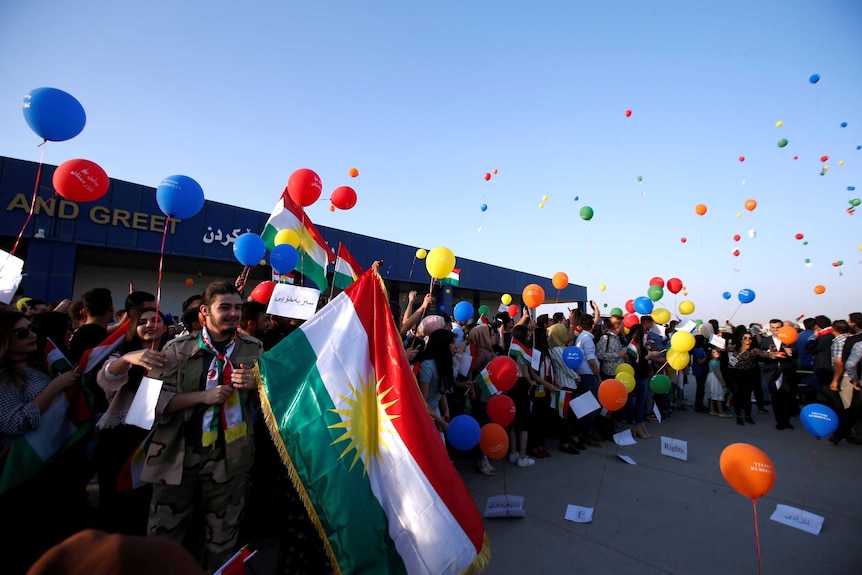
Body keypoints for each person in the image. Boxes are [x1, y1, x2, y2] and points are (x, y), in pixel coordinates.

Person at [142, 281, 262, 572]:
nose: (233, 314)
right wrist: (202, 397)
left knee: (222, 540)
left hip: (229, 459)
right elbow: (150, 405)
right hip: (178, 456)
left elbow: (271, 399)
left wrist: (257, 385)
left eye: (237, 307)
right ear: (205, 311)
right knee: (164, 538)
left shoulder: (253, 347)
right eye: (225, 307)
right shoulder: (175, 350)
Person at [0, 311, 90, 574]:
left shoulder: (38, 367)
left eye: (32, 329)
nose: (32, 335)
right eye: (21, 333)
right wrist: (56, 388)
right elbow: (13, 423)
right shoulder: (3, 379)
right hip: (22, 477)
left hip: (55, 471)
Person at [95, 308, 169, 536]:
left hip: (159, 437)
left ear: (166, 327)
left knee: (147, 501)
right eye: (142, 322)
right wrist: (129, 359)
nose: (149, 325)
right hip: (122, 437)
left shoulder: (176, 354)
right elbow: (106, 377)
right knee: (118, 498)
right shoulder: (123, 355)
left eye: (155, 320)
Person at [729, 330, 780, 426]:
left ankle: (748, 416)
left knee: (747, 396)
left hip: (747, 375)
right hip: (735, 375)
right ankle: (739, 416)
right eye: (745, 338)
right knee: (737, 396)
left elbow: (765, 354)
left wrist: (774, 355)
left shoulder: (753, 350)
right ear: (741, 340)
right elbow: (723, 349)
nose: (748, 340)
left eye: (750, 338)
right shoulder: (736, 348)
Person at [759, 319, 798, 430]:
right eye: (773, 328)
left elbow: (796, 354)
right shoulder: (766, 340)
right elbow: (760, 355)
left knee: (787, 397)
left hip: (786, 372)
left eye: (778, 328)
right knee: (776, 398)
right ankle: (779, 421)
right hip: (771, 372)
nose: (775, 330)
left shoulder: (789, 339)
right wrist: (769, 353)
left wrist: (791, 353)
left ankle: (786, 421)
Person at [574, 315, 603, 446]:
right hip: (589, 374)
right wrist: (598, 376)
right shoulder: (587, 339)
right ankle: (585, 434)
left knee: (588, 406)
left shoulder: (581, 337)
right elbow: (591, 360)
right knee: (592, 407)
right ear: (592, 326)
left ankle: (587, 432)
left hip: (583, 374)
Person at [705, 348, 732, 417]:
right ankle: (720, 411)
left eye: (717, 352)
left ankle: (712, 410)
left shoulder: (717, 361)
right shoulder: (713, 362)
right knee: (718, 393)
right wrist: (721, 382)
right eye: (714, 352)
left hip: (714, 377)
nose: (716, 353)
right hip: (714, 378)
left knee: (713, 395)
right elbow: (716, 373)